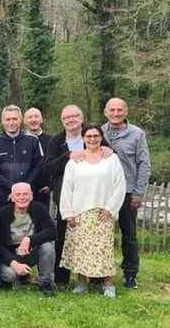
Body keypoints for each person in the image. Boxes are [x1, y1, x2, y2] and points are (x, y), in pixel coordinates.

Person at [59, 124, 126, 298]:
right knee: (81, 249)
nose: (92, 139)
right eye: (88, 136)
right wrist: (68, 213)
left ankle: (108, 284)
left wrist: (110, 209)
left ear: (101, 137)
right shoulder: (75, 161)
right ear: (83, 138)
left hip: (102, 212)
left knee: (103, 249)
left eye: (95, 135)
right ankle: (81, 283)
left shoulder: (111, 159)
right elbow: (67, 187)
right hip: (80, 212)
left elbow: (120, 186)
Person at [102, 98, 151, 289]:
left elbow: (144, 165)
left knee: (128, 235)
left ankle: (130, 273)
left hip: (128, 192)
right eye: (112, 110)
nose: (115, 113)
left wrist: (138, 193)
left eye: (119, 110)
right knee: (101, 234)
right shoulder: (98, 131)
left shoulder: (137, 134)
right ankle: (99, 272)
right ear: (105, 112)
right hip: (103, 192)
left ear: (126, 112)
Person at [42, 104, 88, 290]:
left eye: (74, 116)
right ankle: (61, 279)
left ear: (82, 117)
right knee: (62, 237)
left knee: (88, 238)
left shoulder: (92, 135)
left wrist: (107, 151)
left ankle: (90, 276)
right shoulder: (56, 141)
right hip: (65, 198)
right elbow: (48, 167)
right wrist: (68, 155)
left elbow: (107, 156)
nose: (71, 120)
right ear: (62, 121)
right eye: (66, 117)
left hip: (89, 198)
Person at [0, 183, 57, 297]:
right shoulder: (2, 213)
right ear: (12, 197)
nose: (22, 197)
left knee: (48, 246)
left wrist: (29, 240)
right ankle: (15, 278)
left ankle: (45, 283)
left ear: (31, 196)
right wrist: (13, 263)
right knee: (10, 275)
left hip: (30, 251)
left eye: (25, 194)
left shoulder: (39, 208)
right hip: (11, 255)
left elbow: (52, 231)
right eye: (18, 194)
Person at [0, 105, 43, 211]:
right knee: (2, 227)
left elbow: (38, 166)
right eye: (8, 119)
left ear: (20, 120)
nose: (11, 122)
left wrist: (23, 188)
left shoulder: (32, 141)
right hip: (2, 197)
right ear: (2, 121)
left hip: (26, 196)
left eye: (14, 119)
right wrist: (11, 187)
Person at [23, 107, 52, 207]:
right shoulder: (20, 141)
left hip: (44, 191)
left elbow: (55, 163)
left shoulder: (52, 141)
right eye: (30, 117)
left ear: (41, 119)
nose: (33, 119)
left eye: (36, 116)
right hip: (23, 191)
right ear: (25, 121)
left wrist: (50, 185)